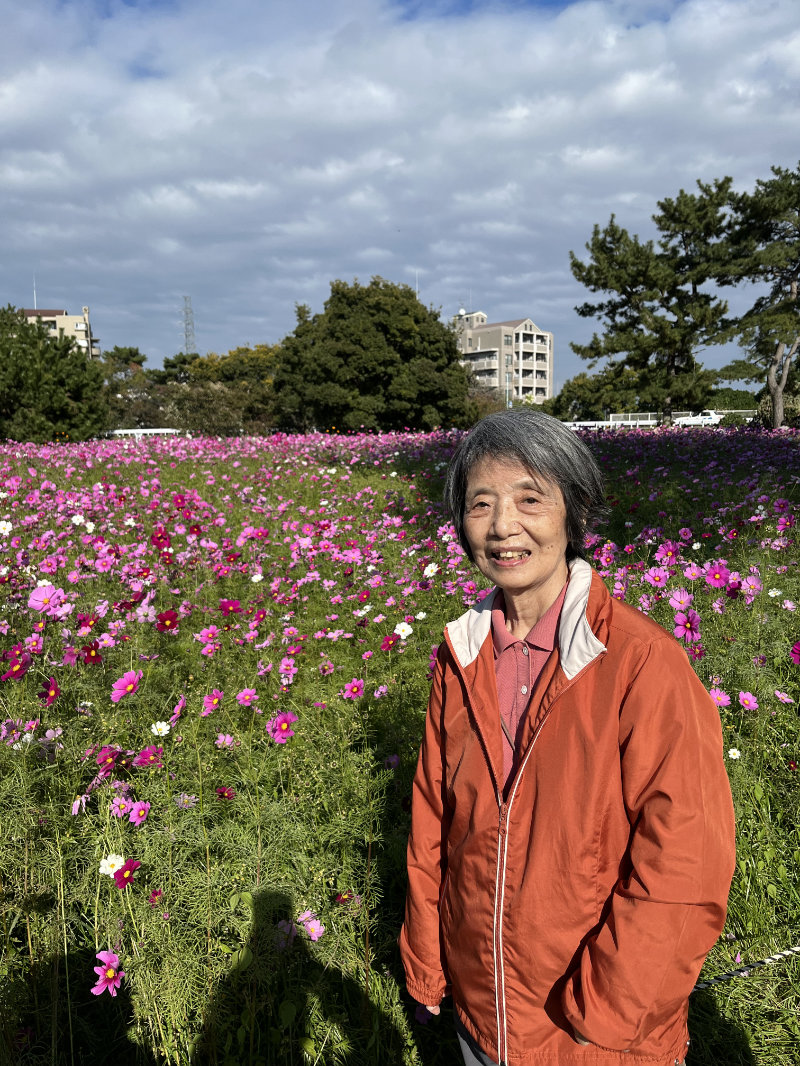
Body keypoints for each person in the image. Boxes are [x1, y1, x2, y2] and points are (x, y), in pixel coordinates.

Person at [399, 408, 736, 1066]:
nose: (503, 527)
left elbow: (686, 861)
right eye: (481, 504)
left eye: (531, 499)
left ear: (574, 514)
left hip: (594, 1032)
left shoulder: (643, 663)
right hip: (482, 1012)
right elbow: (433, 825)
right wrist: (427, 963)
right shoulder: (459, 657)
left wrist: (607, 1011)